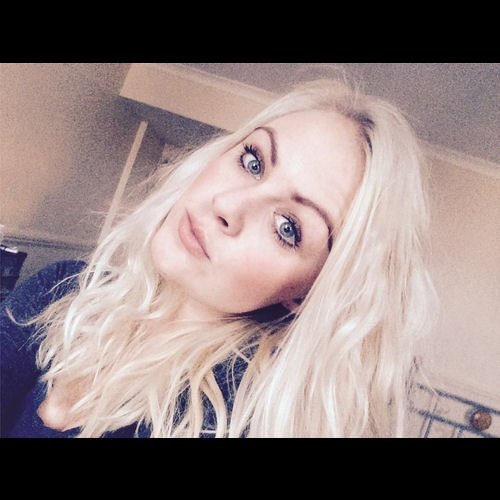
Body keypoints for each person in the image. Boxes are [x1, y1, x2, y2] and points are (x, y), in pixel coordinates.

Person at [1, 77, 437, 438]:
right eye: (253, 161)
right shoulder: (65, 290)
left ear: (308, 293)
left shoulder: (241, 421)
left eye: (288, 227)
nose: (228, 205)